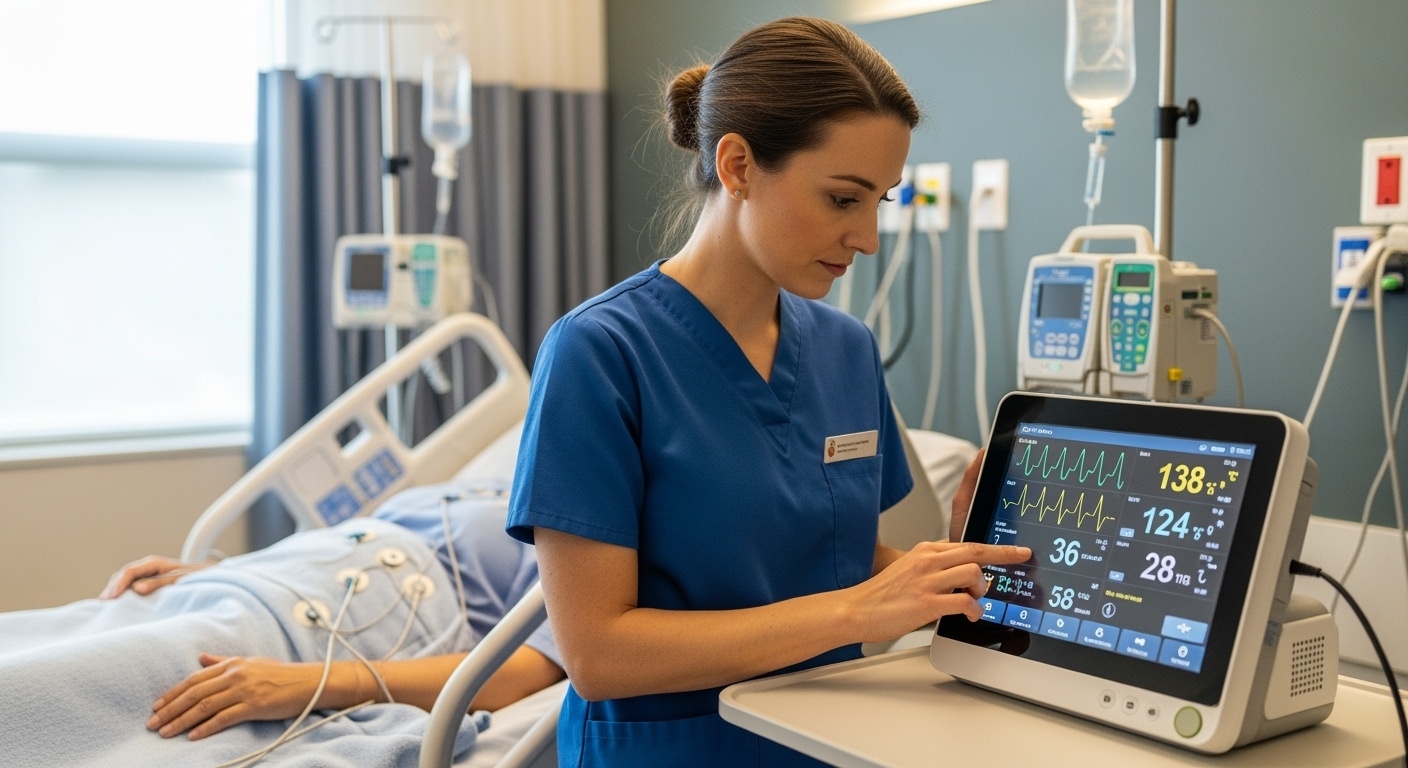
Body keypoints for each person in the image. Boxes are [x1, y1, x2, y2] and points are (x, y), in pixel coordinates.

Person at [505, 16, 1031, 767]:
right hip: (675, 749)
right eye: (844, 199)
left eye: (881, 201)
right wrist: (858, 609)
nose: (870, 239)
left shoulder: (846, 350)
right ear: (738, 165)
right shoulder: (601, 352)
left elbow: (839, 558)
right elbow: (598, 654)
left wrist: (943, 568)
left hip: (835, 738)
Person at [0, 480, 563, 767]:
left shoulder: (584, 534)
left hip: (339, 629)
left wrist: (312, 681)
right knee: (74, 632)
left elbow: (523, 669)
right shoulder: (496, 481)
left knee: (109, 679)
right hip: (262, 581)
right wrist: (217, 569)